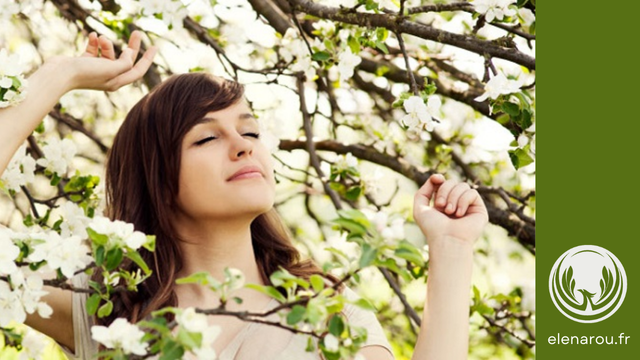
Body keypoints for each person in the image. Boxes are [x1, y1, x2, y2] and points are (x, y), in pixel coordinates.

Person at [0, 31, 489, 360]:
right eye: (207, 138)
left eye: (250, 132)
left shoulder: (331, 323)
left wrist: (451, 248)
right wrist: (58, 77)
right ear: (157, 179)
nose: (242, 148)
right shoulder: (104, 309)